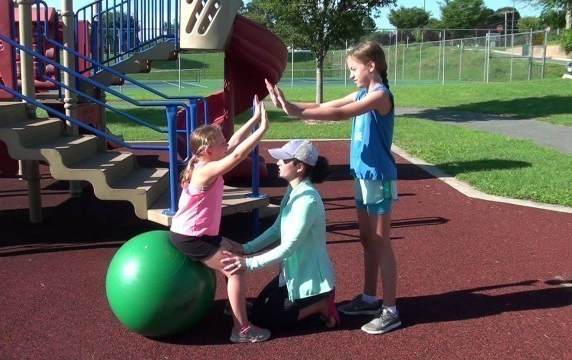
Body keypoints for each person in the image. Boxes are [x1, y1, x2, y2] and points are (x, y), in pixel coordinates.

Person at [264, 40, 401, 335]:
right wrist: (291, 107)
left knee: (381, 243)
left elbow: (342, 114)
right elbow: (326, 106)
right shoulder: (363, 92)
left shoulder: (380, 96)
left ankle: (390, 310)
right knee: (366, 239)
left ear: (371, 65)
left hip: (379, 178)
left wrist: (298, 113)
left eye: (354, 68)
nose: (350, 74)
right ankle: (368, 299)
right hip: (363, 176)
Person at [169, 96, 271, 343]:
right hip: (192, 238)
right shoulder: (205, 170)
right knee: (236, 270)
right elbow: (235, 157)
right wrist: (262, 131)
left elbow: (233, 145)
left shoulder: (201, 160)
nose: (226, 144)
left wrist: (254, 120)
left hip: (201, 234)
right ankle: (242, 330)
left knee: (236, 252)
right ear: (208, 151)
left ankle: (231, 305)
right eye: (221, 143)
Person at [220, 139, 339, 331]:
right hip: (293, 274)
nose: (277, 163)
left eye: (284, 160)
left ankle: (321, 304)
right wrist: (245, 248)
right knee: (258, 309)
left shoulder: (307, 200)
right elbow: (277, 229)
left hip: (312, 280)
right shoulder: (292, 191)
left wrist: (248, 263)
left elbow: (288, 248)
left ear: (299, 167)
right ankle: (309, 302)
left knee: (264, 319)